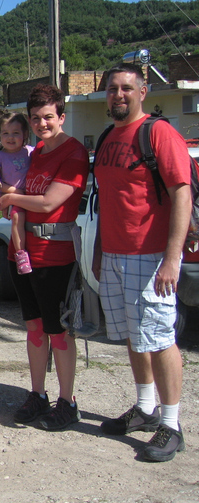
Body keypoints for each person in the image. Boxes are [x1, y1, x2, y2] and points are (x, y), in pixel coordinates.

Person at [92, 63, 191, 462]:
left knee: (160, 337)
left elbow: (181, 194)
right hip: (115, 253)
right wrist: (99, 251)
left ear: (143, 92)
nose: (118, 95)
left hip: (151, 256)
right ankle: (145, 408)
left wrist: (171, 257)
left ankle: (171, 425)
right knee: (135, 336)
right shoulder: (107, 137)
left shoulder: (159, 133)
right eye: (112, 88)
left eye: (126, 89)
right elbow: (107, 201)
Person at [0, 84, 89, 431]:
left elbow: (51, 202)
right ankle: (38, 394)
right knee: (34, 328)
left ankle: (68, 401)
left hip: (55, 256)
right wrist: (15, 197)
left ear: (61, 117)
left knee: (58, 331)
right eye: (36, 118)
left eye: (48, 117)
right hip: (21, 254)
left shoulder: (74, 153)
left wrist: (11, 199)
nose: (42, 123)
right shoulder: (34, 152)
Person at [0, 112, 34, 274]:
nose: (10, 137)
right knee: (17, 217)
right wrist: (16, 191)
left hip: (32, 196)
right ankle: (21, 254)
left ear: (25, 134)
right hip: (15, 198)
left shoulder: (30, 152)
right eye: (5, 133)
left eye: (16, 133)